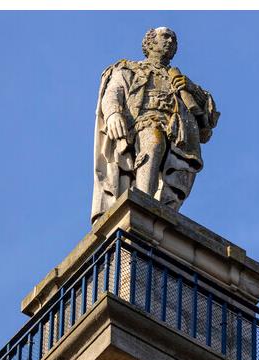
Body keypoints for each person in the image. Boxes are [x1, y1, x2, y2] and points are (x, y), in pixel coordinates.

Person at [91, 27, 220, 223]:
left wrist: (190, 87)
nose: (170, 42)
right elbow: (114, 91)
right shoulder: (129, 68)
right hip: (145, 121)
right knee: (153, 144)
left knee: (180, 173)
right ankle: (143, 203)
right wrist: (113, 114)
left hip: (178, 130)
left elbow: (208, 113)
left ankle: (162, 212)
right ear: (150, 41)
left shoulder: (178, 77)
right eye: (165, 36)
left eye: (173, 40)